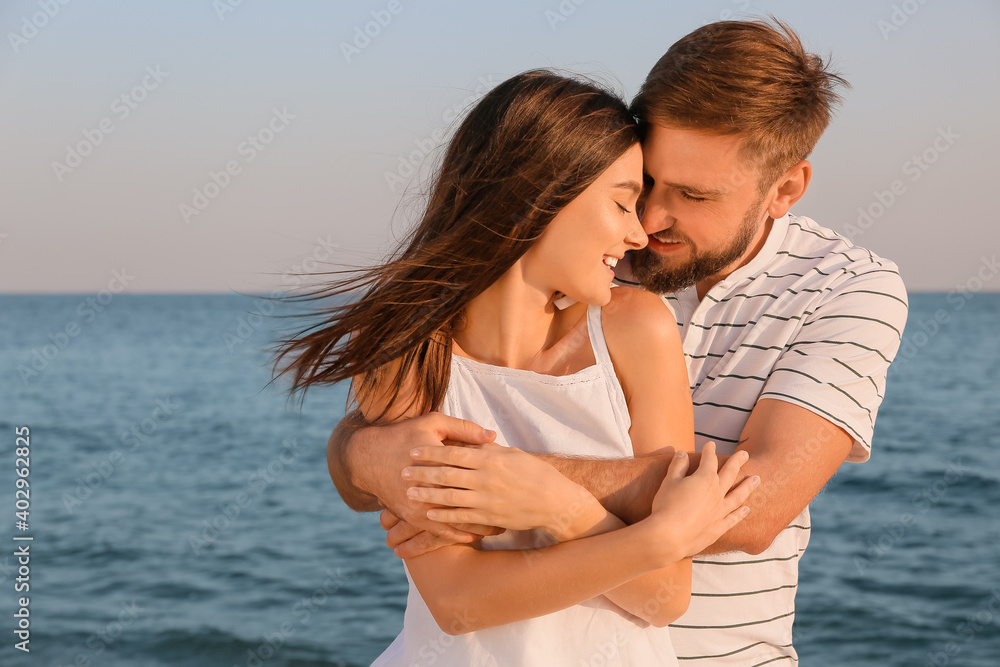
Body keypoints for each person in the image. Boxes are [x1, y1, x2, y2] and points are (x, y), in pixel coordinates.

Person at [327, 19, 909, 666]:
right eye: (645, 184)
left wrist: (474, 479)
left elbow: (751, 505)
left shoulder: (847, 289)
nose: (650, 222)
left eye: (691, 195)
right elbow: (386, 437)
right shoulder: (589, 264)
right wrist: (365, 454)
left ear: (785, 190)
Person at [273, 71, 759, 665]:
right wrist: (645, 538)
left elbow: (664, 596)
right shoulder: (406, 350)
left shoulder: (636, 330)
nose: (638, 233)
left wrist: (560, 507)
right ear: (540, 195)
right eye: (622, 201)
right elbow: (457, 604)